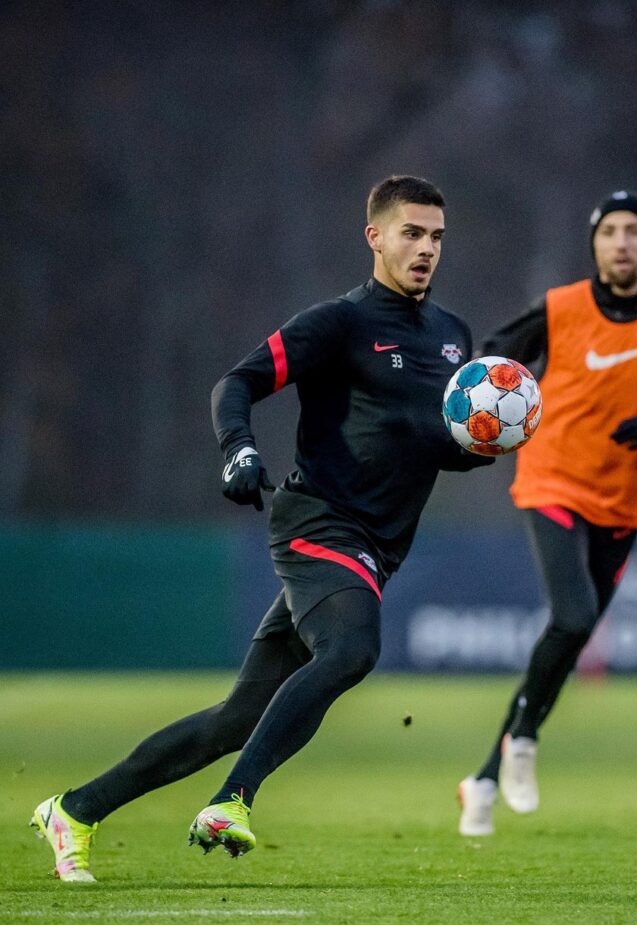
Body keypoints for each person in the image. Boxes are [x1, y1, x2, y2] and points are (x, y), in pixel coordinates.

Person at [30, 174, 491, 882]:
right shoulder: (338, 324)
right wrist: (239, 449)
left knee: (235, 721)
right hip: (318, 523)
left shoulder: (454, 337)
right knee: (350, 650)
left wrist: (476, 448)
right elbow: (235, 384)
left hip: (373, 548)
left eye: (435, 236)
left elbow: (429, 448)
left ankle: (77, 809)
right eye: (410, 233)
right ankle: (231, 802)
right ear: (374, 236)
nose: (425, 248)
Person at [457, 190, 637, 837]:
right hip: (552, 480)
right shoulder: (560, 308)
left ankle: (487, 775)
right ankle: (520, 744)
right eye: (608, 231)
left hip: (625, 498)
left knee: (571, 635)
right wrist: (486, 405)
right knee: (574, 615)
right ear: (595, 245)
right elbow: (493, 362)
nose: (620, 242)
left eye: (633, 230)